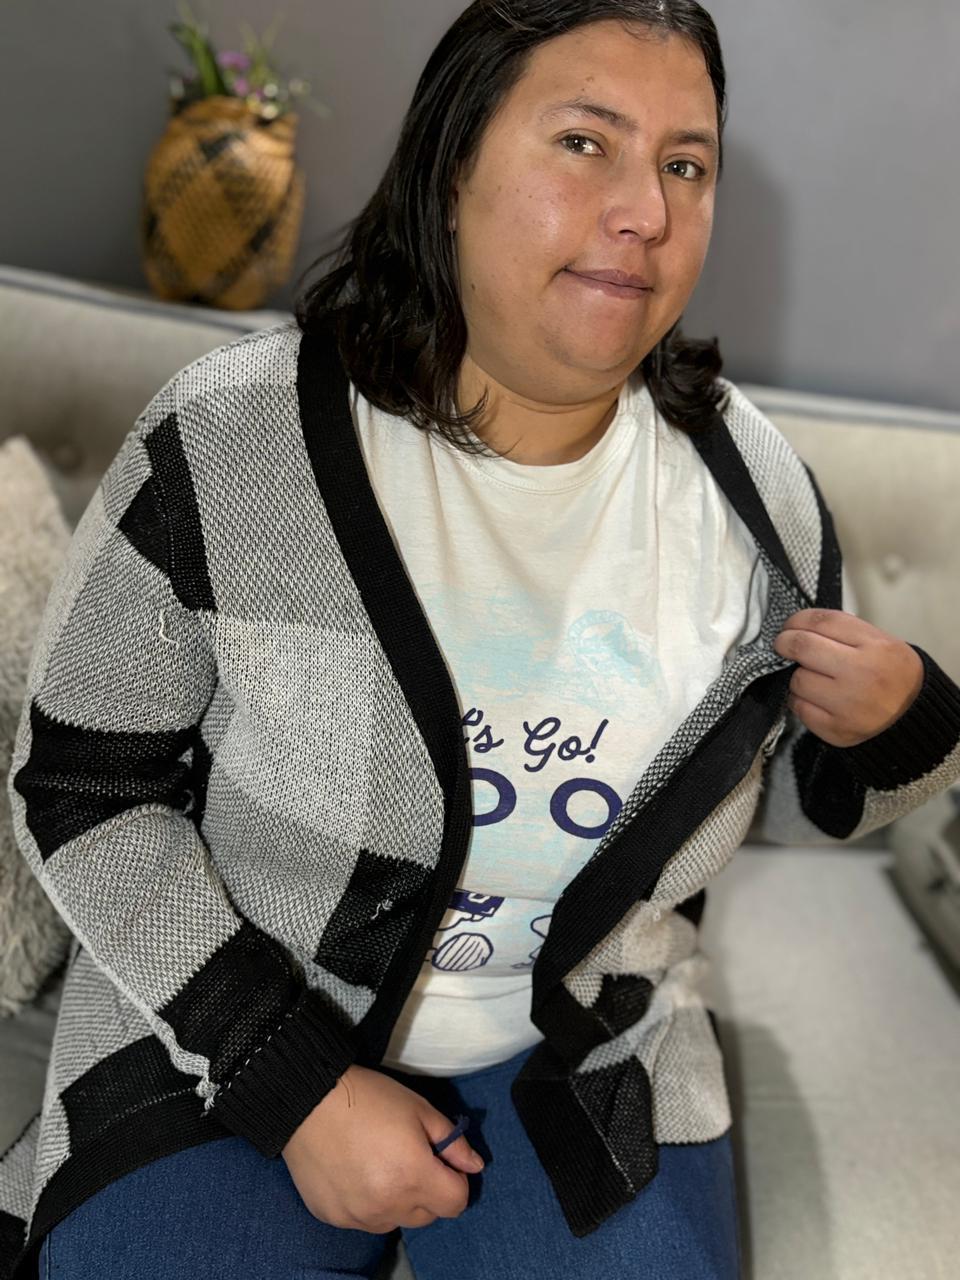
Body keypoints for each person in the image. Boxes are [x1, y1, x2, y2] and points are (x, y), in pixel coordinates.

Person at [4, 2, 960, 1278]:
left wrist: (899, 729)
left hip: (580, 1047)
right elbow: (84, 783)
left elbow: (772, 803)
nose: (647, 210)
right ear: (453, 164)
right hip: (240, 1011)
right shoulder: (232, 441)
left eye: (686, 164)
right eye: (584, 143)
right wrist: (290, 1080)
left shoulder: (760, 502)